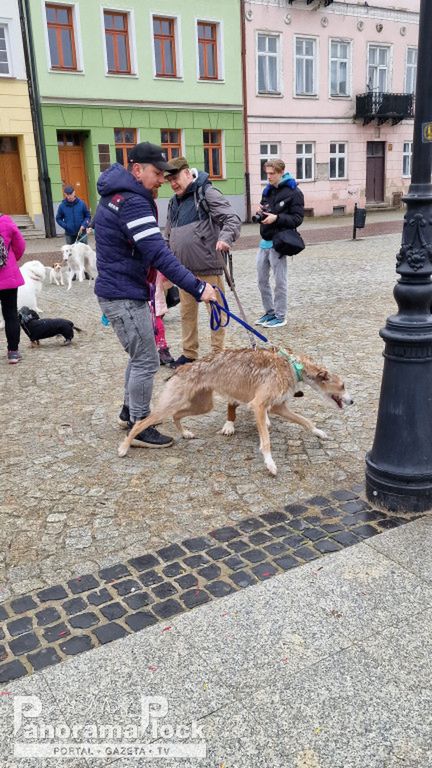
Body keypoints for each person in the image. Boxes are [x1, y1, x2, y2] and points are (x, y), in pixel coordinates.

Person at [93, 141, 217, 448]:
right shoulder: (132, 201)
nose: (162, 179)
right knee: (147, 360)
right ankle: (139, 424)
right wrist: (199, 287)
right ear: (137, 169)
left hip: (119, 289)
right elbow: (158, 254)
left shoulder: (117, 195)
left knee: (138, 358)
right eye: (156, 173)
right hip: (123, 294)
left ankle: (127, 412)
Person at [165, 156, 241, 367]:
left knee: (216, 312)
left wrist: (225, 238)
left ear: (188, 173)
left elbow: (231, 218)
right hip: (183, 271)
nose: (173, 183)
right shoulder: (173, 202)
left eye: (176, 178)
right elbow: (168, 233)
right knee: (186, 314)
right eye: (169, 180)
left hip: (209, 267)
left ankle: (218, 354)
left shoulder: (207, 193)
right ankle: (189, 353)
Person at [255, 159, 304, 329]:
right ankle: (269, 312)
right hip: (265, 241)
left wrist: (277, 218)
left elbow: (298, 219)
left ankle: (280, 315)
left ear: (281, 172)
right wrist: (260, 213)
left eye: (272, 173)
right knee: (261, 280)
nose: (268, 177)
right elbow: (265, 210)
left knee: (280, 281)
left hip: (280, 242)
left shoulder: (294, 191)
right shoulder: (267, 191)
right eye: (266, 173)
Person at [0, 214, 26, 363]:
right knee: (10, 314)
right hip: (7, 276)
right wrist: (10, 259)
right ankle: (13, 352)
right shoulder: (6, 221)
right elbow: (20, 245)